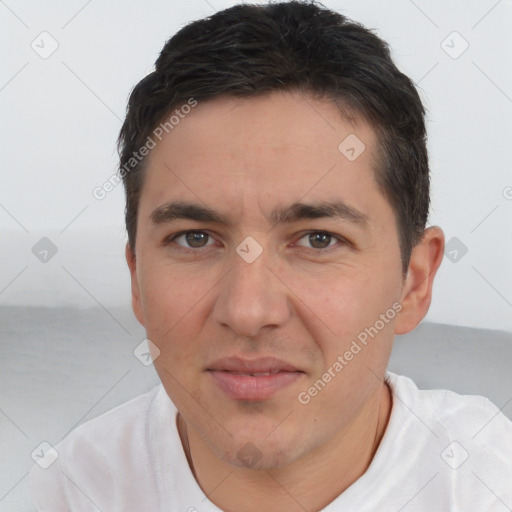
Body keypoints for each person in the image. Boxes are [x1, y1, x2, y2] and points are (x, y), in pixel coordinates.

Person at [29, 1, 512, 510]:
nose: (248, 312)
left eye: (318, 239)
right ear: (136, 277)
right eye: (195, 238)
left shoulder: (489, 485)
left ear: (413, 282)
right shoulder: (74, 487)